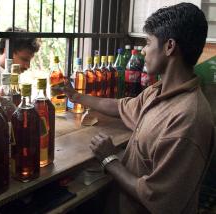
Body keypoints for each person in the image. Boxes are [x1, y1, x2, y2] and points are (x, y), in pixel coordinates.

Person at [60, 3, 215, 213]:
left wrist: (109, 159)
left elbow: (157, 198)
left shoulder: (188, 119)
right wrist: (76, 96)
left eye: (148, 42)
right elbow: (120, 106)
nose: (143, 50)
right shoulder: (157, 92)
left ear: (169, 47)